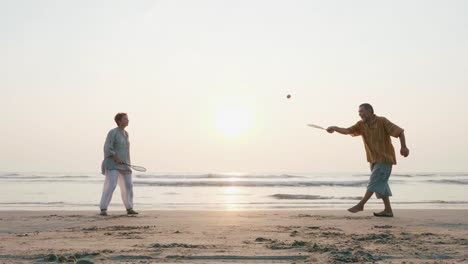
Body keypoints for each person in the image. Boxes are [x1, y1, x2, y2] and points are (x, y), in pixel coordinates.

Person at [326, 103, 409, 217]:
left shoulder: (382, 121)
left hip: (385, 158)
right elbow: (347, 131)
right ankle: (388, 210)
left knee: (374, 182)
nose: (360, 114)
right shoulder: (361, 125)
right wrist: (335, 128)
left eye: (362, 111)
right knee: (381, 185)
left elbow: (400, 132)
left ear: (370, 111)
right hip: (373, 159)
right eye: (359, 112)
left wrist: (403, 147)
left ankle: (361, 204)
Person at [99, 113, 138, 216]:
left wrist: (126, 161)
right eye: (125, 119)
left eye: (127, 119)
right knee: (111, 185)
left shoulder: (126, 134)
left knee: (129, 185)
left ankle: (129, 208)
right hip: (113, 163)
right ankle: (103, 208)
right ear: (119, 121)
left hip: (125, 164)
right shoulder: (113, 132)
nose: (127, 120)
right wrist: (115, 157)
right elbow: (107, 147)